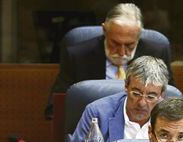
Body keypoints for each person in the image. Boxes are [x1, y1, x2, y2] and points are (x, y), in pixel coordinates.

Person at [44, 3, 174, 119]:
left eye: (129, 45)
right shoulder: (78, 56)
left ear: (139, 36)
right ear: (105, 30)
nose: (122, 52)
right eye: (115, 43)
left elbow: (171, 101)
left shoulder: (157, 53)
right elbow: (55, 108)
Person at [67, 56, 169, 142]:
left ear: (162, 95)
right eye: (136, 93)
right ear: (126, 86)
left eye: (151, 96)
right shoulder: (97, 113)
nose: (142, 103)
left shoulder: (172, 119)